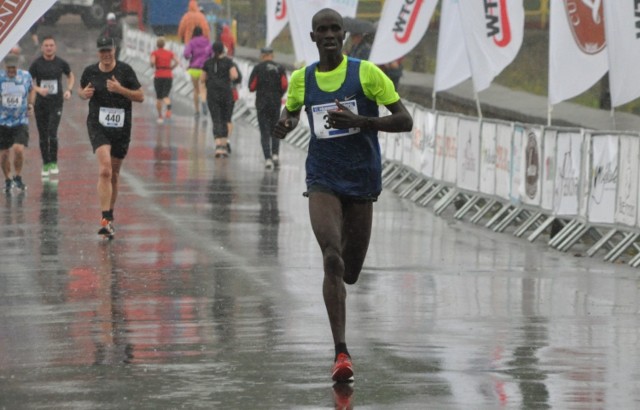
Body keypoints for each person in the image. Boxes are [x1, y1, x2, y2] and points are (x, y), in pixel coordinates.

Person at [272, 8, 413, 382]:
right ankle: (341, 353)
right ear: (314, 37)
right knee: (331, 257)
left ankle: (341, 322)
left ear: (345, 36)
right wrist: (284, 125)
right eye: (323, 30)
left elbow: (405, 120)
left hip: (361, 181)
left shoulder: (366, 74)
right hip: (322, 179)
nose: (331, 34)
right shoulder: (302, 79)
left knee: (349, 271)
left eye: (336, 29)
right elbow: (290, 114)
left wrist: (364, 122)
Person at [78, 37, 144, 238]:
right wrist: (84, 94)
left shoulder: (125, 71)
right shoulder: (90, 71)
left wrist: (120, 90)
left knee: (114, 174)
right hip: (98, 125)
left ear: (114, 50)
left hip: (121, 128)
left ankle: (110, 216)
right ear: (98, 52)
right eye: (102, 51)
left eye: (109, 51)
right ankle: (105, 218)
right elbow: (81, 91)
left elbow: (140, 96)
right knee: (105, 169)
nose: (106, 55)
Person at [29, 35, 75, 177]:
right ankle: (46, 164)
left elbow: (70, 76)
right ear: (42, 47)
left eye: (51, 45)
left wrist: (69, 90)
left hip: (56, 103)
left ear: (55, 47)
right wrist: (38, 90)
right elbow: (28, 81)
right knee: (43, 136)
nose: (49, 48)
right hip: (41, 104)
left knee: (52, 132)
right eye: (46, 45)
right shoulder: (36, 64)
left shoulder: (61, 63)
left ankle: (54, 162)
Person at [0, 53, 36, 193]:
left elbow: (32, 90)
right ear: (5, 67)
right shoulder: (1, 79)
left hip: (20, 120)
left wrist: (31, 104)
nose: (11, 71)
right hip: (2, 121)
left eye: (13, 69)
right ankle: (8, 179)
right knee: (3, 155)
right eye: (8, 69)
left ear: (17, 66)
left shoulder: (25, 76)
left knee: (18, 149)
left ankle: (18, 176)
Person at [248, 46, 288, 169]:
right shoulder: (280, 68)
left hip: (262, 103)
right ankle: (275, 154)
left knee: (264, 132)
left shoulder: (258, 68)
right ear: (272, 55)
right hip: (275, 103)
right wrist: (278, 94)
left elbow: (251, 86)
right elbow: (285, 85)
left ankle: (268, 159)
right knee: (275, 130)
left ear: (262, 55)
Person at [201, 41, 238, 158]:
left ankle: (218, 147)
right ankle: (224, 144)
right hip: (226, 93)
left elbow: (202, 78)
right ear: (223, 50)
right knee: (225, 119)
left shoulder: (208, 63)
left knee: (216, 119)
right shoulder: (228, 62)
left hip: (212, 93)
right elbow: (234, 75)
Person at [150, 36, 180, 124]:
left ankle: (160, 116)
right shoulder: (170, 53)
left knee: (159, 97)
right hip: (168, 75)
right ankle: (169, 107)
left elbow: (152, 62)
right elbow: (177, 61)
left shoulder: (154, 53)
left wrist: (152, 65)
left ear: (157, 45)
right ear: (164, 44)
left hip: (158, 74)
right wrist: (171, 68)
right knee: (165, 95)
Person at [184, 26, 212, 116]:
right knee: (203, 88)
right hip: (204, 69)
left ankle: (197, 111)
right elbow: (211, 53)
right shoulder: (206, 41)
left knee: (196, 90)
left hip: (194, 68)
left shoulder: (192, 42)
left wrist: (190, 57)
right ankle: (204, 101)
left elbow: (186, 54)